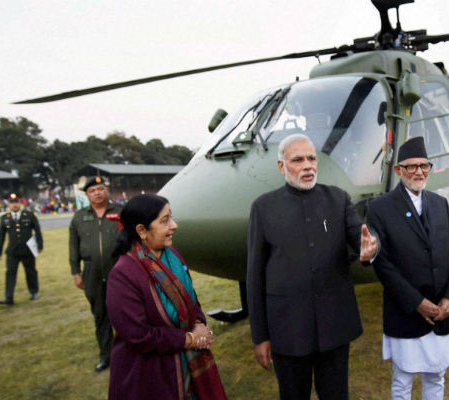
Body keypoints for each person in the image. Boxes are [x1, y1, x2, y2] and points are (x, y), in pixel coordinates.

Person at [247, 133, 377, 400]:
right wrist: (260, 336)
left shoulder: (338, 199)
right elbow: (255, 276)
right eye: (298, 160)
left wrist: (369, 249)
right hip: (288, 331)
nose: (307, 165)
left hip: (334, 327)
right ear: (282, 166)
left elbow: (360, 236)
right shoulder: (263, 207)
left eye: (311, 158)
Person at [366, 137, 449, 400]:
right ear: (399, 170)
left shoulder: (440, 203)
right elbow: (382, 263)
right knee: (403, 379)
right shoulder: (380, 208)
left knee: (436, 376)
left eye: (424, 165)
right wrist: (416, 302)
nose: (419, 171)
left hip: (441, 312)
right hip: (405, 312)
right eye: (412, 166)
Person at [106, 194, 226, 400]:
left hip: (189, 361)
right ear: (142, 231)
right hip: (151, 374)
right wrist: (190, 339)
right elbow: (138, 335)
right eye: (165, 221)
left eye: (171, 217)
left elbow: (191, 299)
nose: (174, 225)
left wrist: (198, 324)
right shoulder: (123, 274)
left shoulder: (173, 256)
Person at [69, 177, 123, 372]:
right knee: (100, 314)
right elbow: (73, 246)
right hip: (91, 272)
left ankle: (129, 352)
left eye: (101, 189)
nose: (97, 193)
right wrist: (76, 272)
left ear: (107, 191)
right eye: (92, 191)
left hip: (118, 269)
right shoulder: (79, 217)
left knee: (124, 313)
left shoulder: (121, 212)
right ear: (87, 195)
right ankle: (106, 355)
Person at [0, 193, 43, 305]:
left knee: (30, 272)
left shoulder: (29, 215)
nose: (14, 205)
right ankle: (9, 297)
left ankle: (34, 291)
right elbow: (1, 236)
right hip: (12, 251)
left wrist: (40, 245)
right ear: (8, 205)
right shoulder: (5, 218)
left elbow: (37, 230)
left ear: (20, 203)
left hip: (27, 250)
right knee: (10, 273)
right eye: (12, 203)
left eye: (16, 202)